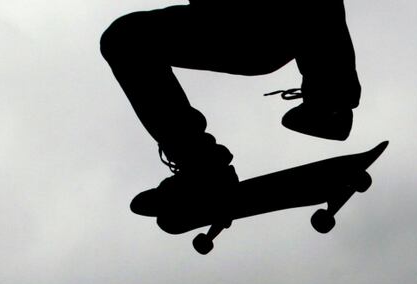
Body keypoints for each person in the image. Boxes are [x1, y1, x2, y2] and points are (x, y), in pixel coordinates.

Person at [101, 0, 361, 216]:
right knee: (125, 38)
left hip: (272, 22)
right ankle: (201, 169)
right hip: (230, 26)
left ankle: (330, 99)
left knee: (126, 38)